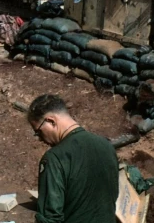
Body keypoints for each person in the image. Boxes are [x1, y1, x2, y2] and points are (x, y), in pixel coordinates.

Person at [27, 94, 118, 223]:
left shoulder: (55, 158)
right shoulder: (107, 146)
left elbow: (50, 217)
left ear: (51, 121)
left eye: (38, 132)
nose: (40, 139)